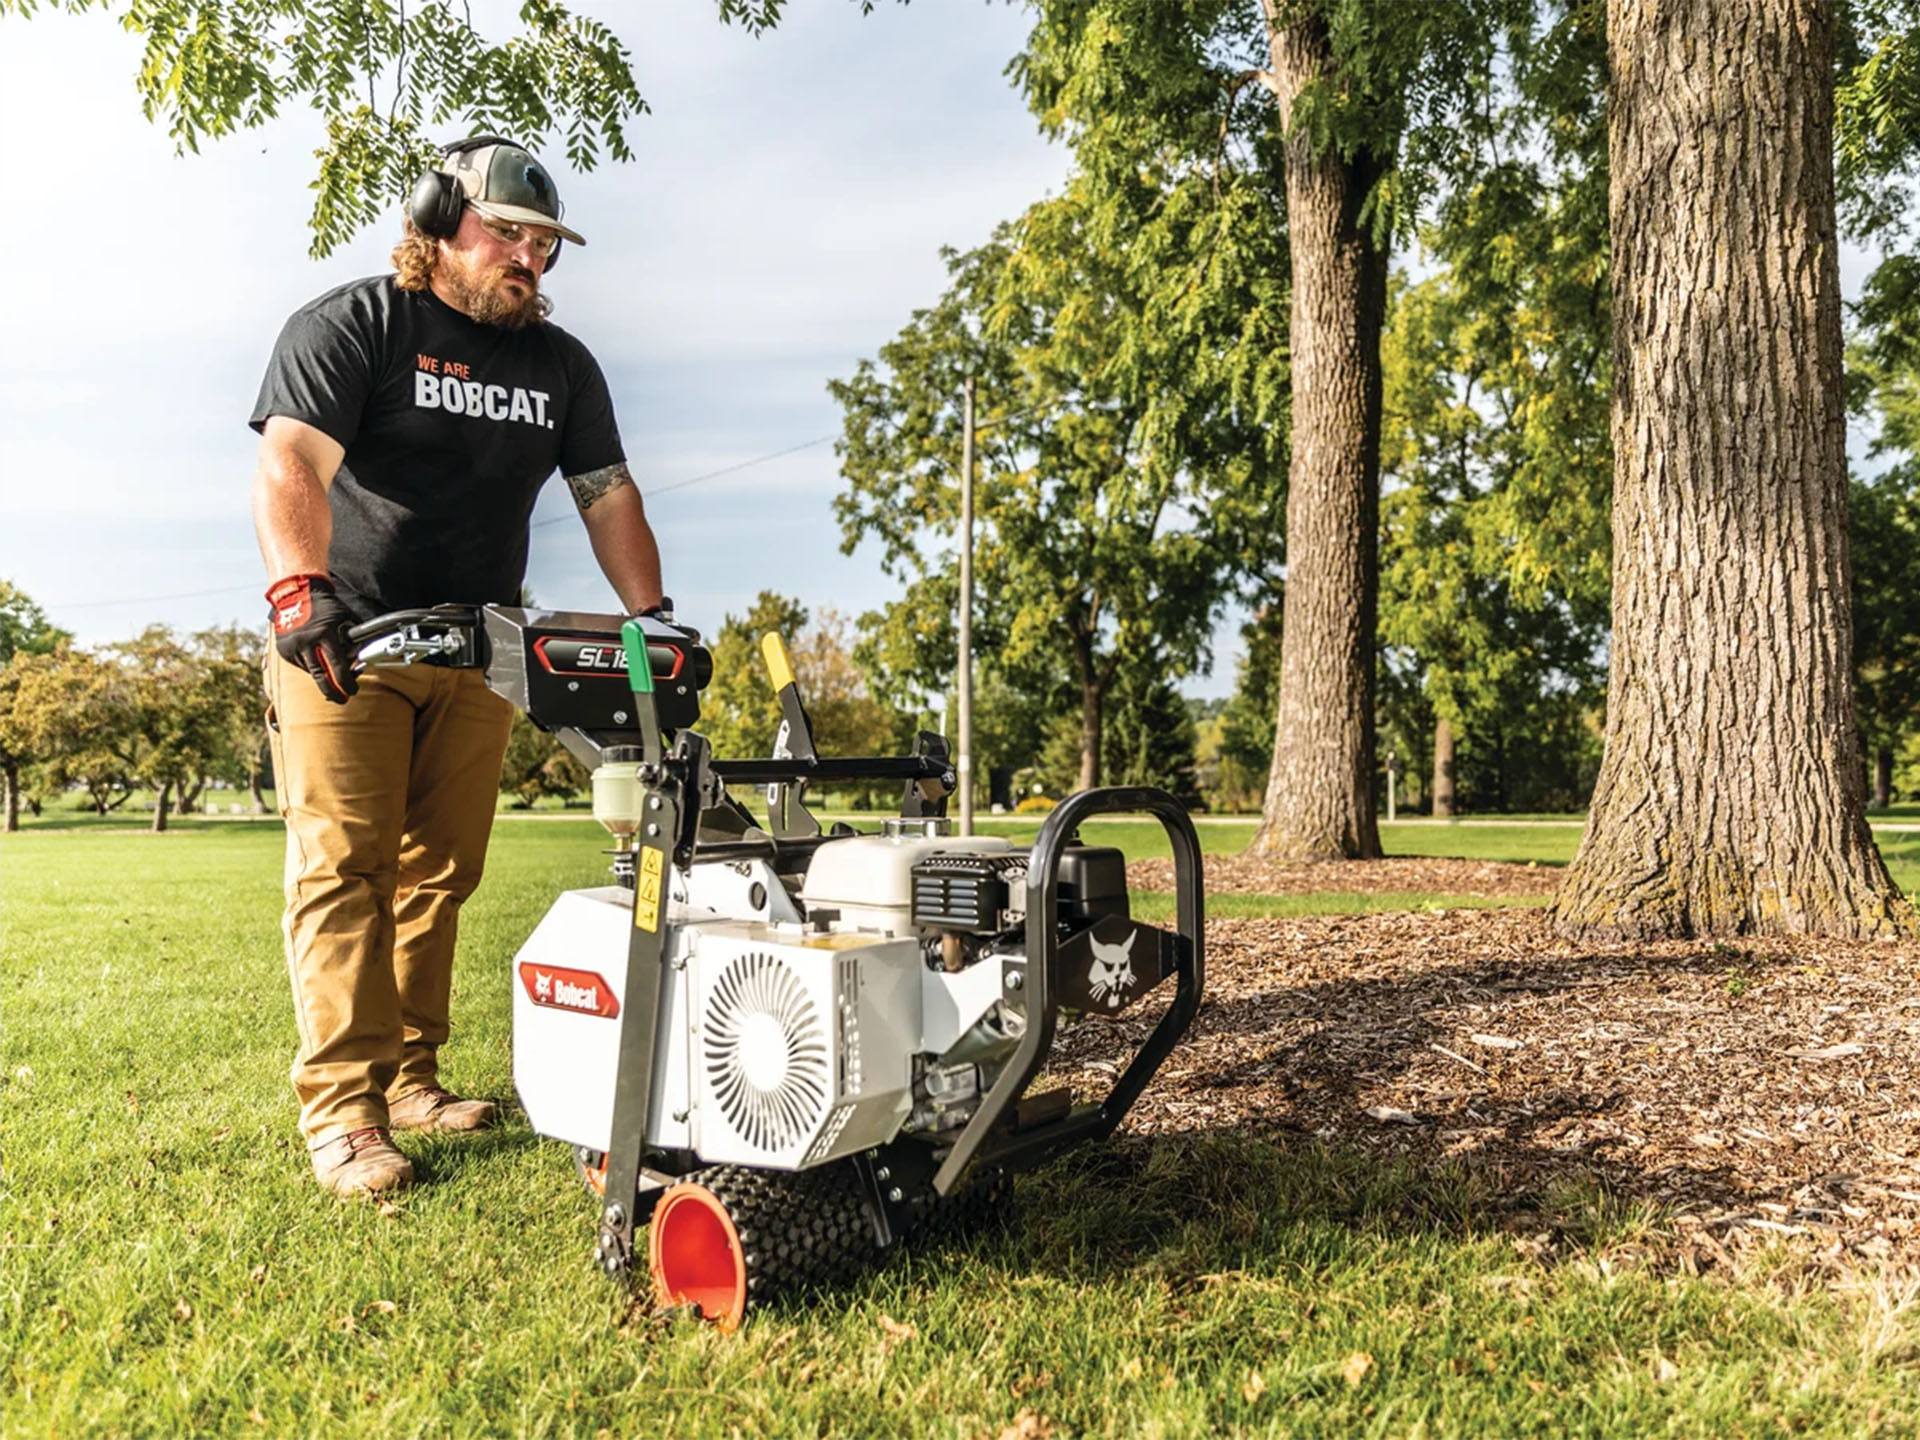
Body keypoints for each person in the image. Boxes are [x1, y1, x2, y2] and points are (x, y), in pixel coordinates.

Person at [249, 136, 664, 1198]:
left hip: (483, 651)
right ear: (437, 221)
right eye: (508, 235)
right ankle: (343, 1113)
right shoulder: (358, 325)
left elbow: (606, 493)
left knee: (441, 875)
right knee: (345, 868)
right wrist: (300, 592)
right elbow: (292, 459)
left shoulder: (560, 365)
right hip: (348, 642)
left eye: (544, 246)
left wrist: (652, 617)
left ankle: (410, 1080)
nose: (529, 259)